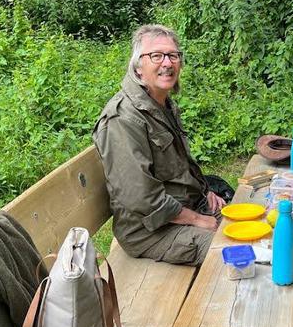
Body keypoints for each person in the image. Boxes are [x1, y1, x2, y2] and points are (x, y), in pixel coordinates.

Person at [93, 24, 224, 266]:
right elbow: (140, 199)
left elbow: (178, 166)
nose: (167, 63)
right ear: (138, 68)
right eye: (156, 56)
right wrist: (196, 219)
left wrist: (205, 191)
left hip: (185, 208)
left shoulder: (161, 104)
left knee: (256, 224)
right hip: (150, 231)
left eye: (173, 55)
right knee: (230, 252)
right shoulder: (123, 119)